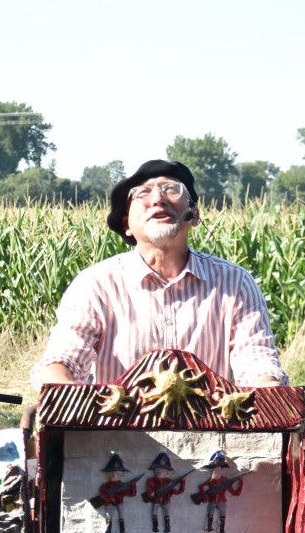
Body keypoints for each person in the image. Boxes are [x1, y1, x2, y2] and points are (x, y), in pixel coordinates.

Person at [30, 159, 287, 390]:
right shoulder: (96, 285)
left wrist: (269, 388)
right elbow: (64, 358)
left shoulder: (234, 282)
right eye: (142, 193)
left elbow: (256, 359)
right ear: (126, 225)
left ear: (194, 214)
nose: (158, 199)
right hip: (116, 434)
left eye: (171, 189)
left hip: (211, 433)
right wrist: (60, 389)